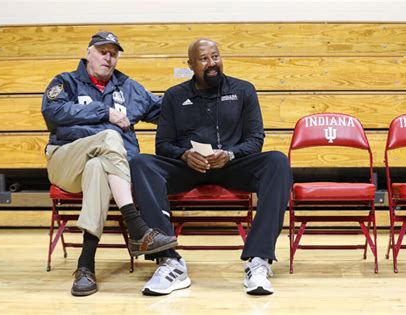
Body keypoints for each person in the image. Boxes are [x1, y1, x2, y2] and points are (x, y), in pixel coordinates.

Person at [129, 38, 293, 295]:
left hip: (231, 166)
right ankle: (168, 260)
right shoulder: (174, 95)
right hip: (189, 168)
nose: (212, 63)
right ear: (191, 65)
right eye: (204, 59)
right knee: (141, 163)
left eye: (215, 56)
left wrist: (230, 153)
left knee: (277, 162)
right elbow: (163, 144)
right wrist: (184, 155)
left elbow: (255, 139)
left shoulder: (243, 90)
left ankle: (259, 260)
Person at [41, 31, 177, 296]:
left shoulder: (128, 88)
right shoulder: (66, 82)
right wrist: (104, 113)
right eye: (102, 51)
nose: (108, 57)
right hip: (65, 160)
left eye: (113, 53)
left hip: (107, 171)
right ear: (88, 52)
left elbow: (165, 112)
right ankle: (136, 226)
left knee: (98, 167)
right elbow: (53, 112)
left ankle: (85, 265)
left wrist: (193, 102)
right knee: (110, 137)